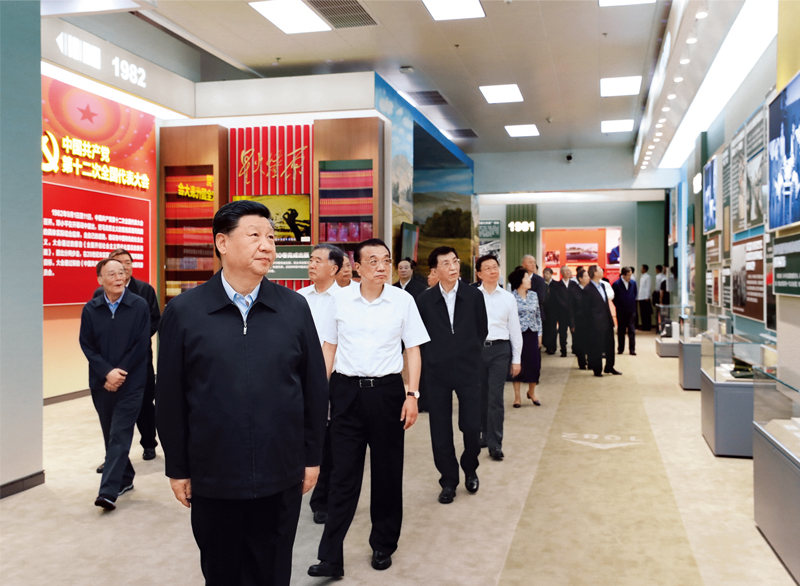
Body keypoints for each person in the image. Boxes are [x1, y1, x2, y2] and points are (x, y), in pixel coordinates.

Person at [156, 200, 329, 586]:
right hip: (215, 476)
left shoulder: (293, 308)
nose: (267, 245)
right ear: (222, 242)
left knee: (273, 573)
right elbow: (169, 397)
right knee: (222, 574)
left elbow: (314, 389)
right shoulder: (185, 312)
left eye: (271, 237)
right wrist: (178, 467)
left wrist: (312, 457)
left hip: (280, 473)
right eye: (254, 235)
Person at [309, 238, 429, 578]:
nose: (381, 266)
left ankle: (383, 544)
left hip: (388, 393)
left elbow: (413, 350)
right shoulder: (340, 301)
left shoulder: (403, 301)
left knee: (387, 473)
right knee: (342, 476)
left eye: (386, 260)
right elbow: (329, 348)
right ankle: (330, 556)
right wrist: (320, 395)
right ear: (357, 267)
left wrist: (412, 395)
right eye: (373, 260)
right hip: (345, 393)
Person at [416, 247, 487, 504]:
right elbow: (420, 336)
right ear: (435, 270)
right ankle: (448, 480)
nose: (453, 267)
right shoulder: (424, 300)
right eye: (445, 263)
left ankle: (470, 467)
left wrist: (469, 353)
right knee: (440, 429)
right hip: (436, 374)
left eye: (455, 261)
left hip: (469, 371)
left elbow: (482, 329)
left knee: (472, 426)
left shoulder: (474, 295)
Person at [79, 258, 150, 511]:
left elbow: (141, 344)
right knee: (110, 434)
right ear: (100, 279)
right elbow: (87, 345)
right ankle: (126, 478)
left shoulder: (138, 305)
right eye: (112, 274)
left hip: (131, 383)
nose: (119, 277)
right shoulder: (91, 309)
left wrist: (119, 373)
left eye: (122, 273)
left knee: (120, 433)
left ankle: (108, 491)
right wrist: (106, 373)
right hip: (101, 383)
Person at [92, 248, 160, 471]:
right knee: (111, 414)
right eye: (118, 264)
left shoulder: (144, 291)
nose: (124, 268)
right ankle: (115, 458)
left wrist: (133, 342)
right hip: (110, 364)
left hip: (139, 359)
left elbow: (154, 320)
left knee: (144, 404)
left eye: (127, 263)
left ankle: (149, 444)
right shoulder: (99, 295)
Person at [298, 243, 344, 526]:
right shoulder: (299, 298)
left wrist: (323, 384)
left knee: (330, 442)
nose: (312, 264)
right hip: (299, 378)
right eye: (311, 260)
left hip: (335, 379)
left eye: (318, 260)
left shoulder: (346, 299)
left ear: (334, 268)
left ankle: (323, 499)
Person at [475, 254, 522, 461]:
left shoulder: (508, 298)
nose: (493, 271)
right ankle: (483, 435)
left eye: (495, 267)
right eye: (487, 268)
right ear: (479, 274)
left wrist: (516, 358)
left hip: (500, 351)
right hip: (477, 351)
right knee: (479, 396)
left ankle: (495, 443)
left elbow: (515, 330)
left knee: (495, 397)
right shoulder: (472, 296)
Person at [508, 269, 543, 408]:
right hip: (517, 334)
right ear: (519, 281)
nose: (530, 280)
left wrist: (540, 334)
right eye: (526, 278)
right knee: (518, 364)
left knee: (534, 364)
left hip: (532, 333)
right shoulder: (510, 297)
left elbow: (538, 315)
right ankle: (517, 397)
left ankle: (532, 392)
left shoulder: (534, 295)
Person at [584, 265, 621, 377]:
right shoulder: (588, 289)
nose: (602, 271)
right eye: (600, 270)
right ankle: (597, 369)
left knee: (610, 345)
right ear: (595, 273)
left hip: (607, 321)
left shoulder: (603, 286)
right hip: (595, 323)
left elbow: (606, 305)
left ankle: (609, 366)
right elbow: (586, 309)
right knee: (597, 346)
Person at [546, 266, 572, 357]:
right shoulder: (557, 285)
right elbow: (556, 298)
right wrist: (565, 306)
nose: (567, 272)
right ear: (561, 273)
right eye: (565, 271)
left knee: (574, 332)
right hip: (562, 312)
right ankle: (563, 350)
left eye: (568, 271)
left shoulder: (573, 284)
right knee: (562, 332)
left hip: (572, 312)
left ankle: (576, 349)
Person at [612, 267, 638, 356]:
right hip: (621, 310)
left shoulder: (633, 283)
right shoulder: (616, 284)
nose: (630, 277)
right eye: (628, 275)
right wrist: (618, 306)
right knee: (621, 330)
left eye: (631, 275)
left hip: (631, 310)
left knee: (632, 330)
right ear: (623, 275)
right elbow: (614, 297)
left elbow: (635, 294)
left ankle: (632, 349)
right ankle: (620, 348)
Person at [569, 268, 591, 370]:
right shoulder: (574, 291)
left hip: (591, 320)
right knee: (580, 343)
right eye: (586, 276)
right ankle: (582, 363)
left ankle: (591, 362)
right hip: (579, 321)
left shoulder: (591, 290)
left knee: (591, 342)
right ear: (580, 278)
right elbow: (570, 309)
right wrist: (572, 324)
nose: (588, 278)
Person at [521, 255, 547, 320]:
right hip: (520, 314)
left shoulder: (540, 280)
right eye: (530, 262)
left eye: (534, 262)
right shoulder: (518, 279)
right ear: (523, 265)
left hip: (535, 315)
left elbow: (541, 298)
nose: (533, 265)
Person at [637, 264, 653, 331]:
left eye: (642, 268)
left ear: (645, 269)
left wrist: (647, 296)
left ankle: (647, 326)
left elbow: (648, 287)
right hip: (641, 296)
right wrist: (638, 297)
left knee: (646, 313)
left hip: (645, 297)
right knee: (642, 313)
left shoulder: (647, 277)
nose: (641, 269)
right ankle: (644, 325)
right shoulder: (642, 276)